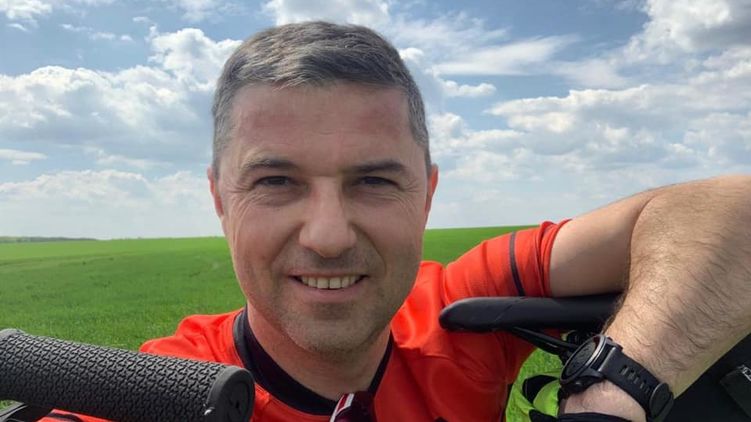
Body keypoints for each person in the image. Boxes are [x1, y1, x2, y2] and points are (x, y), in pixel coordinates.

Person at [43, 21, 751, 422]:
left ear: (426, 195)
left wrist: (611, 391)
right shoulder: (155, 394)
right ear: (220, 198)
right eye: (276, 182)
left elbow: (728, 209)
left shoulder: (457, 314)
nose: (327, 235)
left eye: (374, 181)